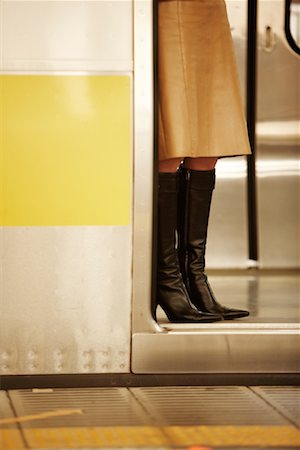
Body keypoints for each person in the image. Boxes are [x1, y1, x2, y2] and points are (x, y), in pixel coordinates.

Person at [157, 0, 251, 322]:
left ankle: (194, 276)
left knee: (209, 137)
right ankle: (168, 279)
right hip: (164, 10)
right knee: (170, 139)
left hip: (208, 9)